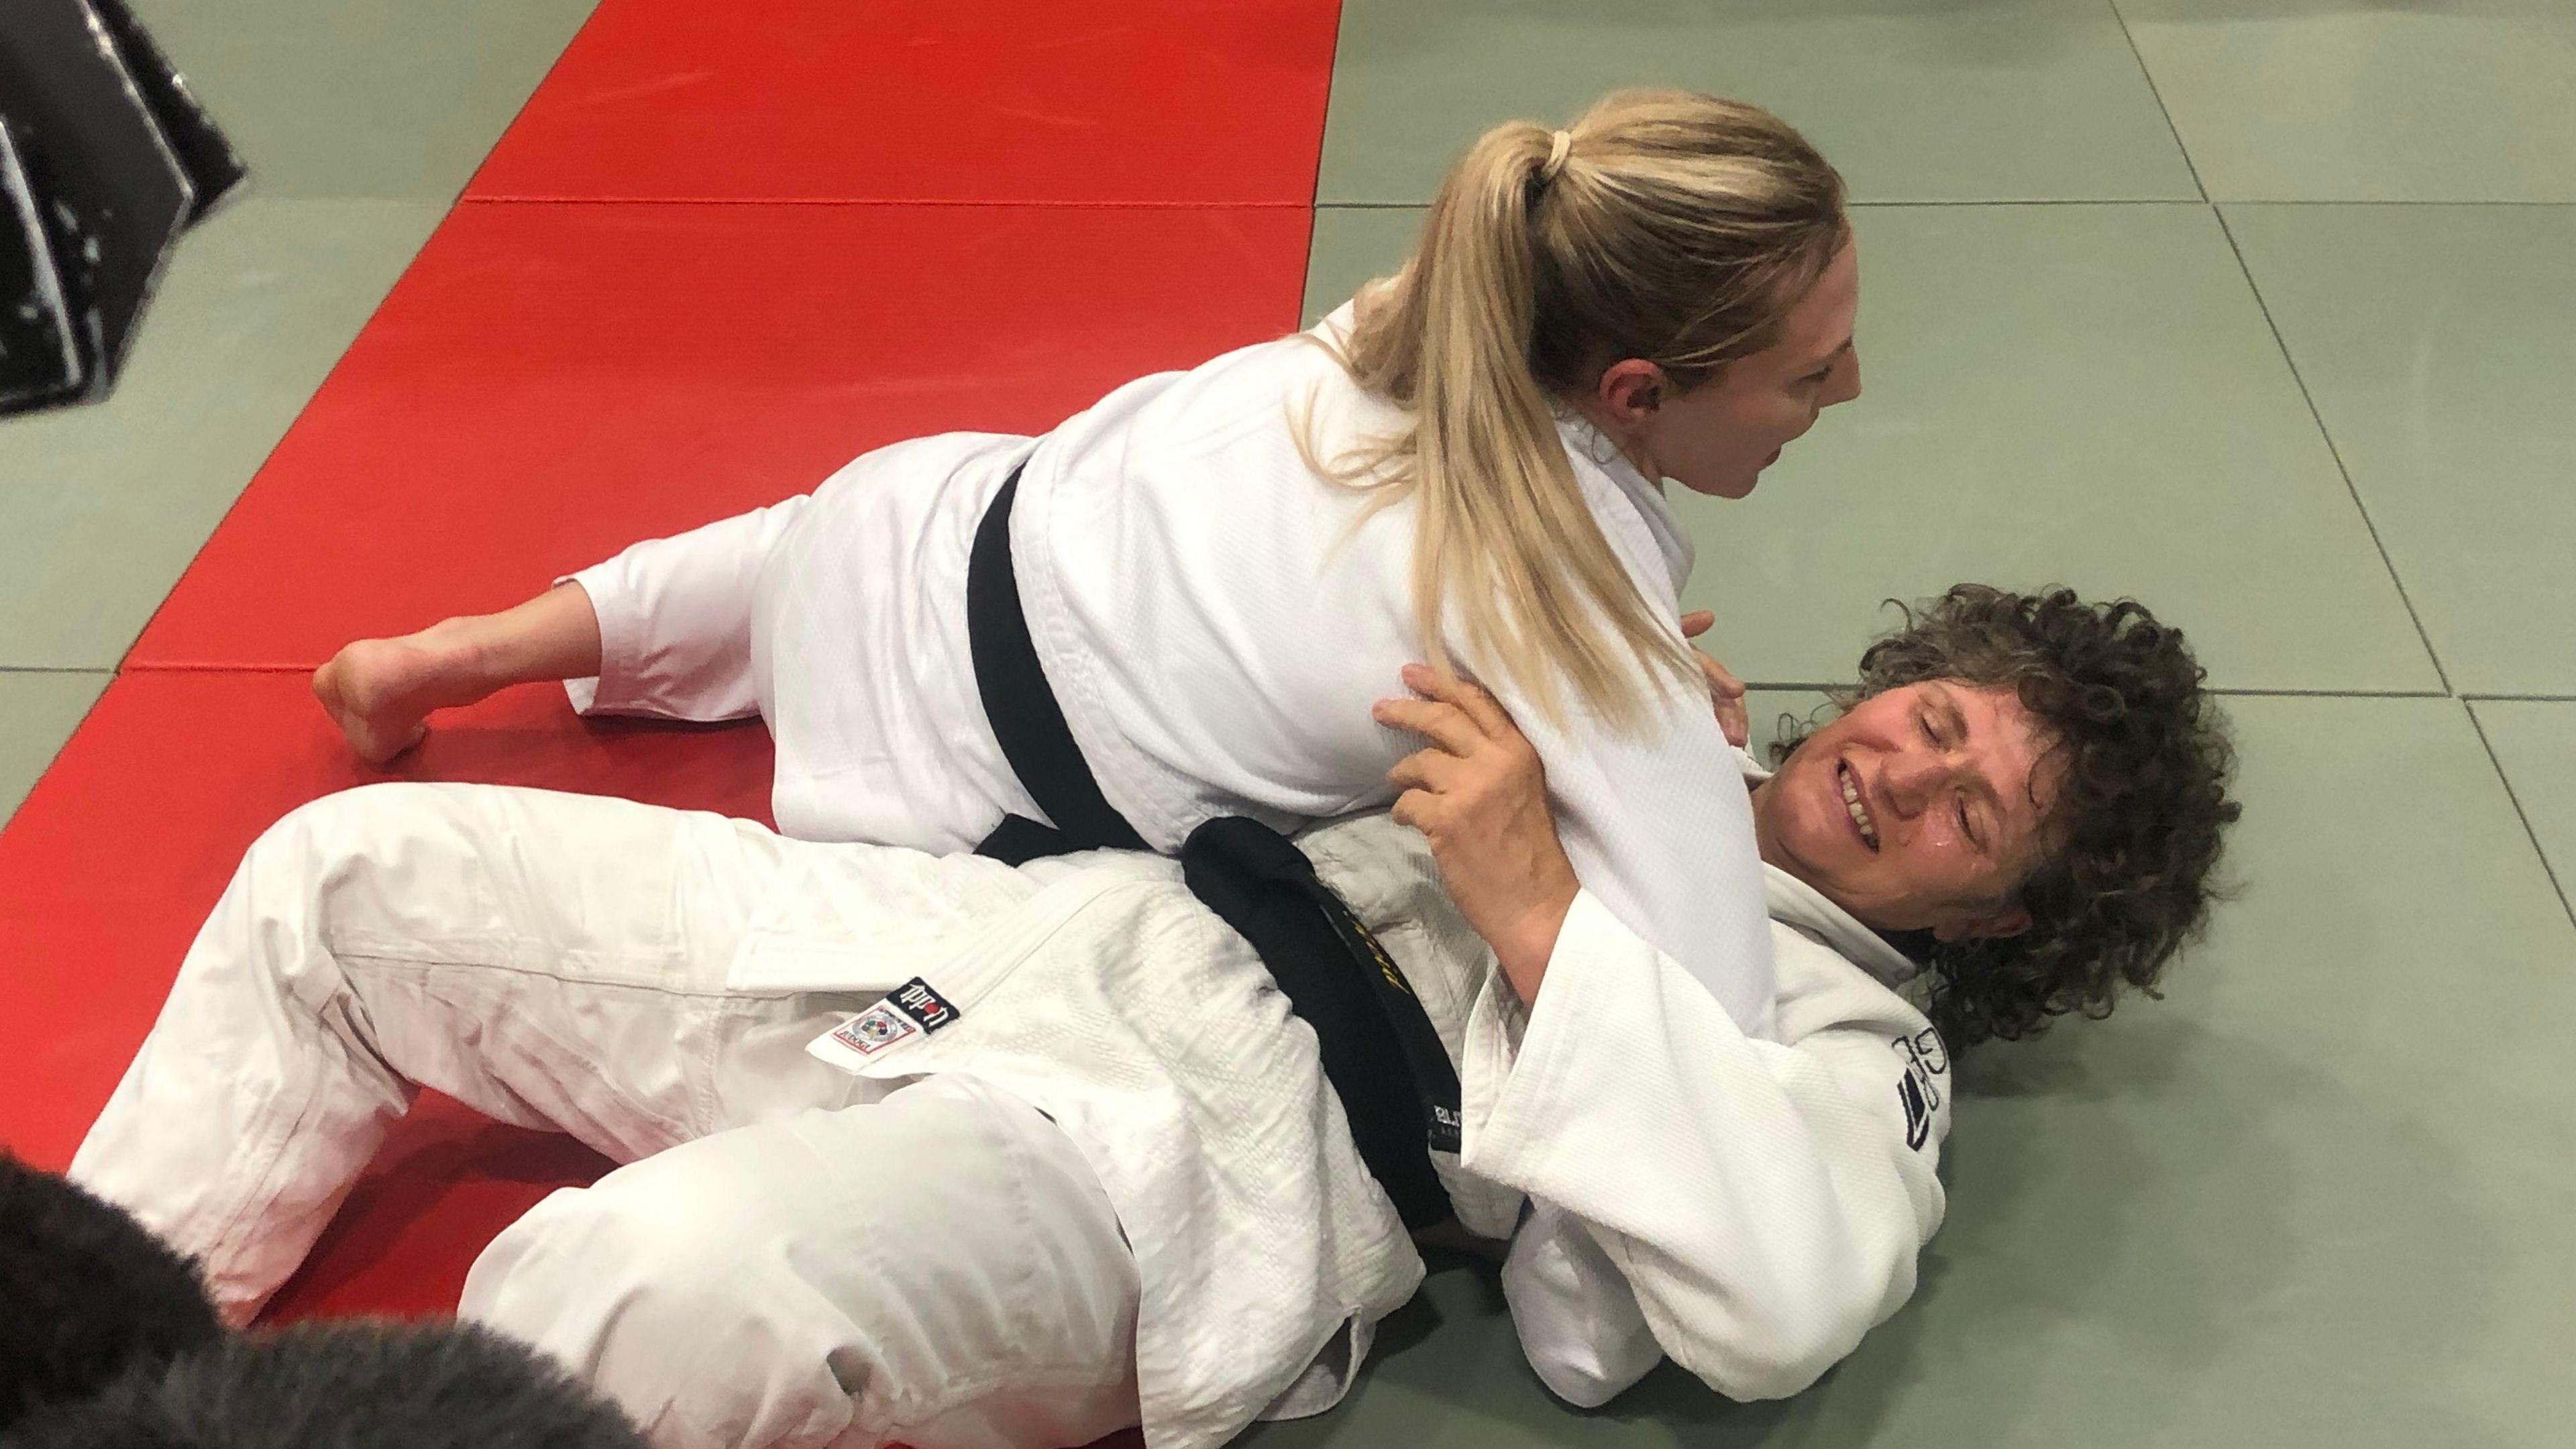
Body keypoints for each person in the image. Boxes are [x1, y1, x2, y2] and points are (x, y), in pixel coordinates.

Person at [72, 585, 2237, 1449]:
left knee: (651, 1285)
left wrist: (1541, 905)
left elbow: (1753, 1300)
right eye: (1934, 717)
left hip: (1205, 1152)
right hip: (1036, 934)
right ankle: (73, 1378)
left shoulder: (1870, 1048)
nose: (1912, 772)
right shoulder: (1640, 711)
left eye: (1977, 817)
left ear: (1997, 923)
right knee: (355, 890)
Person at [309, 88, 1864, 1040]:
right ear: (1639, 391)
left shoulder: (1443, 304)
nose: (1842, 401)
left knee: (798, 547)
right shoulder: (1585, 612)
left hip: (900, 523)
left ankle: (470, 649)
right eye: (1812, 374)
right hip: (924, 804)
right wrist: (1628, 721)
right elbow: (1707, 1006)